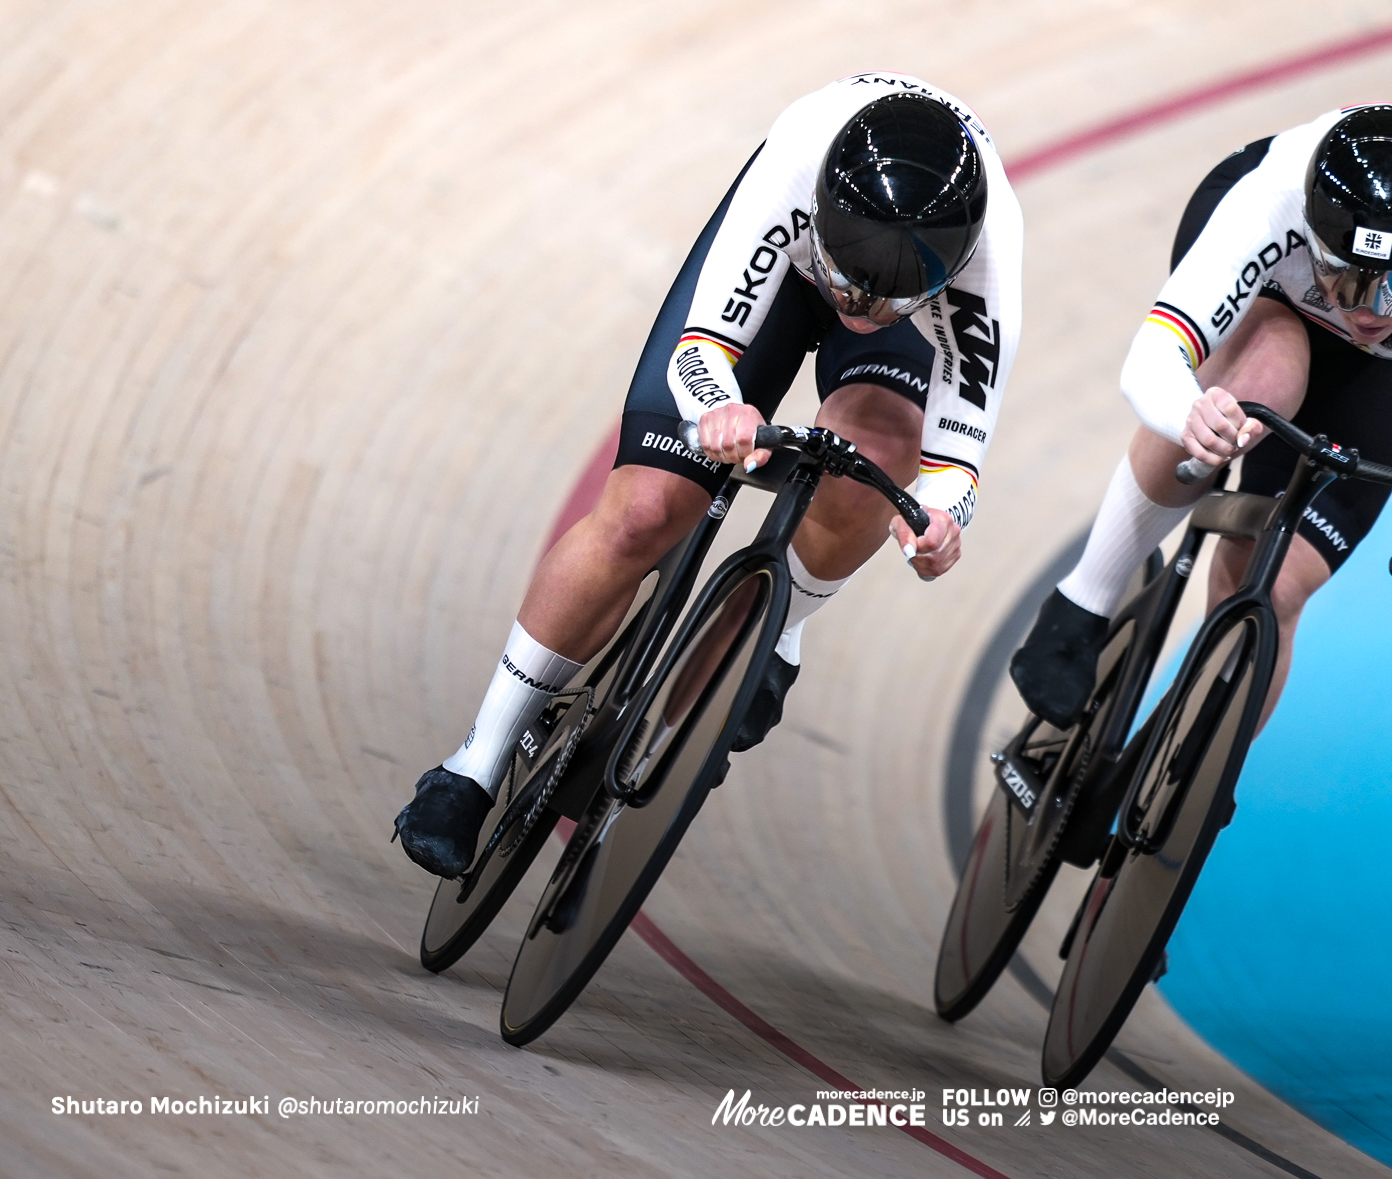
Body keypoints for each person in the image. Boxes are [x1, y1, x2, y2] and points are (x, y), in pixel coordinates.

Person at [396, 74, 1023, 877]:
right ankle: (474, 764)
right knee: (645, 510)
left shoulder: (989, 265)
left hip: (911, 313)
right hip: (780, 266)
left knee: (879, 456)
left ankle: (779, 625)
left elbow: (954, 459)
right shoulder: (795, 168)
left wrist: (935, 519)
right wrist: (719, 407)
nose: (857, 305)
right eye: (848, 285)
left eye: (884, 300)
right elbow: (703, 349)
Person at [1012, 103, 1392, 729]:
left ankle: (1195, 767)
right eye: (1347, 279)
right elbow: (1150, 363)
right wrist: (1190, 413)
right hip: (1277, 291)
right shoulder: (1273, 199)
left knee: (1277, 585)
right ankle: (1083, 602)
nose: (1367, 310)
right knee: (1262, 380)